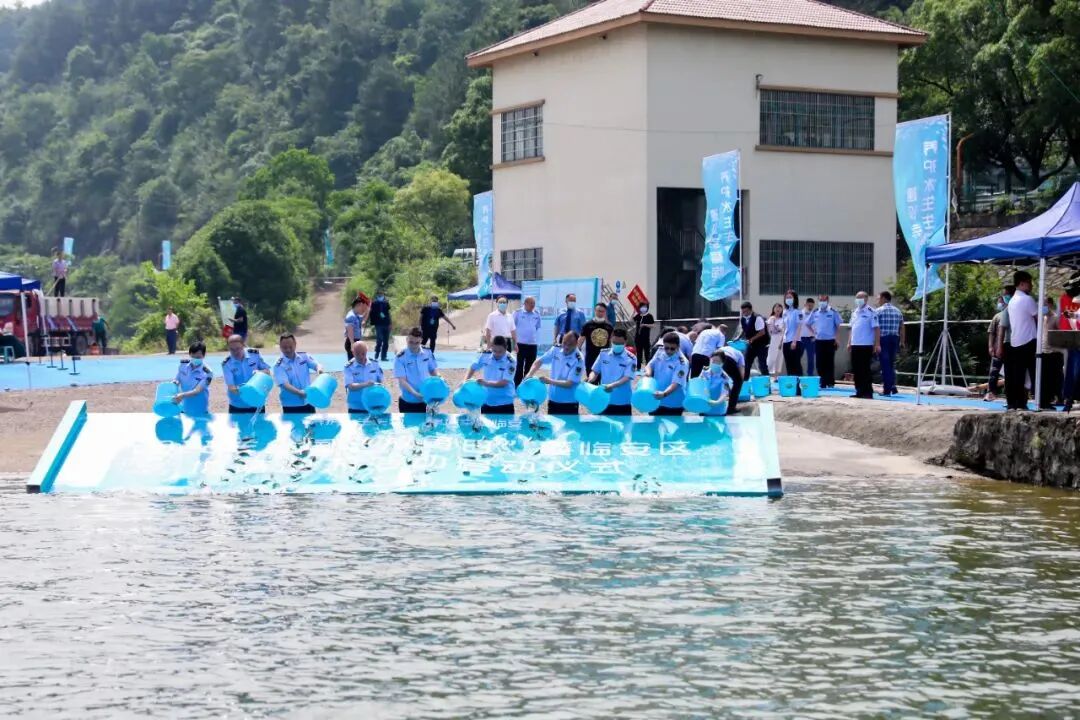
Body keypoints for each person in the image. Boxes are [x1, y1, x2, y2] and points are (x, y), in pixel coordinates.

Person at [527, 331, 585, 415]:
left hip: (569, 402)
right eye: (564, 343)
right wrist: (529, 374)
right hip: (553, 399)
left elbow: (569, 384)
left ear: (576, 343)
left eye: (570, 344)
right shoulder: (556, 349)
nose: (566, 346)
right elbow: (539, 361)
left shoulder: (578, 359)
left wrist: (549, 381)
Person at [1005, 271, 1038, 411]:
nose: (1031, 285)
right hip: (1029, 340)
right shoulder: (1027, 299)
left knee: (1018, 375)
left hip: (1016, 341)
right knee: (1034, 373)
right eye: (1029, 282)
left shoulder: (1012, 300)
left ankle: (1017, 403)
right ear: (1023, 283)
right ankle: (1039, 400)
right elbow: (1037, 317)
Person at [587, 328, 636, 415]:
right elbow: (595, 371)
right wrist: (590, 379)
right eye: (615, 343)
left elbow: (627, 378)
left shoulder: (631, 358)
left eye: (620, 343)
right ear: (610, 340)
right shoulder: (603, 354)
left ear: (625, 342)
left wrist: (612, 386)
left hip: (622, 402)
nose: (617, 345)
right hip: (604, 400)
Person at [274, 333, 324, 414]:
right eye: (284, 347)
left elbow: (317, 365)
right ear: (280, 347)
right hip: (291, 405)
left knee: (311, 422)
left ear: (295, 344)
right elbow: (284, 384)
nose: (288, 350)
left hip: (308, 401)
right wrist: (299, 393)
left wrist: (319, 370)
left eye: (290, 347)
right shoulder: (279, 365)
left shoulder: (304, 357)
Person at [466, 335, 516, 415]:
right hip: (487, 401)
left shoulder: (511, 361)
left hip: (504, 402)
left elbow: (504, 383)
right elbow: (473, 367)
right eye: (494, 350)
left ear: (506, 348)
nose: (497, 354)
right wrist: (465, 382)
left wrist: (486, 383)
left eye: (500, 351)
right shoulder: (485, 355)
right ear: (491, 347)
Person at [221, 334, 271, 414]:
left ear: (243, 345)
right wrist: (247, 392)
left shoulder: (255, 354)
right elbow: (231, 387)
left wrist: (259, 373)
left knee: (260, 423)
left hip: (257, 402)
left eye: (238, 348)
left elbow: (267, 372)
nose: (235, 352)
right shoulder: (227, 364)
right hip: (238, 406)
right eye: (232, 349)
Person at [394, 327, 440, 413]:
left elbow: (433, 370)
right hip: (409, 402)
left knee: (429, 421)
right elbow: (402, 381)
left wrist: (440, 379)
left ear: (421, 340)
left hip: (427, 400)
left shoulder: (427, 352)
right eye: (411, 342)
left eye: (417, 343)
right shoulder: (400, 357)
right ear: (407, 339)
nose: (413, 345)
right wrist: (415, 394)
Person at [644, 331, 689, 416]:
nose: (669, 351)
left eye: (672, 348)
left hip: (673, 403)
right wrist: (648, 374)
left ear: (678, 346)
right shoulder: (660, 351)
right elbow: (650, 365)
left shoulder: (682, 363)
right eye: (666, 348)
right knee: (653, 423)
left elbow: (676, 383)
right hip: (656, 399)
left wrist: (664, 394)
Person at [848, 291, 880, 399]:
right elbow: (852, 328)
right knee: (856, 369)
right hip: (855, 344)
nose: (858, 300)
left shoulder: (871, 312)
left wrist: (877, 344)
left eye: (860, 298)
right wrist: (849, 342)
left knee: (865, 369)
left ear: (866, 299)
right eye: (857, 298)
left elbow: (876, 328)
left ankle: (867, 392)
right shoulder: (854, 312)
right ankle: (859, 391)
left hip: (866, 345)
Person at [874, 291, 905, 396]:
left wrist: (876, 343)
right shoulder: (898, 311)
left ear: (883, 298)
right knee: (891, 364)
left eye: (878, 298)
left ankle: (887, 389)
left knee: (885, 365)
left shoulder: (878, 311)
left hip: (883, 339)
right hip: (894, 339)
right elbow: (902, 327)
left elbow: (876, 328)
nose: (877, 300)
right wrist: (902, 341)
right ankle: (892, 386)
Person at [172, 341, 213, 416]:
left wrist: (181, 395)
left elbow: (197, 391)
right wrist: (175, 382)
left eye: (198, 356)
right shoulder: (183, 366)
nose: (195, 358)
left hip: (200, 409)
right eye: (193, 355)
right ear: (190, 354)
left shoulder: (208, 372)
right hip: (184, 408)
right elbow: (177, 379)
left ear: (203, 356)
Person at [809, 295, 842, 388]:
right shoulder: (815, 312)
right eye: (820, 300)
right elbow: (808, 323)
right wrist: (813, 333)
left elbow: (838, 326)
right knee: (819, 363)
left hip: (830, 341)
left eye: (824, 300)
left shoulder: (833, 312)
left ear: (827, 301)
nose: (822, 302)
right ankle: (822, 381)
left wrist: (837, 338)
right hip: (819, 341)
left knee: (829, 362)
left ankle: (830, 382)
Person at [344, 341, 384, 415]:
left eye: (363, 353)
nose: (361, 356)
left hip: (372, 405)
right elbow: (350, 386)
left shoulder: (375, 364)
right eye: (357, 354)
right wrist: (366, 384)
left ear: (366, 351)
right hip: (356, 406)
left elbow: (380, 382)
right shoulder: (349, 367)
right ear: (353, 353)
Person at [985, 290, 1010, 401]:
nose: (999, 304)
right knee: (994, 372)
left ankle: (1009, 395)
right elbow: (991, 332)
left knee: (1009, 372)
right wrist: (990, 346)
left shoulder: (1012, 314)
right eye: (999, 302)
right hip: (997, 349)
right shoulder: (997, 316)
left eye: (1001, 302)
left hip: (1009, 347)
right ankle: (991, 392)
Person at [512, 296, 541, 386]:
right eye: (531, 303)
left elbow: (537, 327)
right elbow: (512, 327)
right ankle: (517, 386)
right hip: (520, 344)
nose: (533, 305)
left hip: (532, 345)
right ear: (525, 303)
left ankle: (526, 386)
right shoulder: (517, 313)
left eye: (534, 303)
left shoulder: (537, 314)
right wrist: (514, 343)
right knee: (519, 367)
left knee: (530, 367)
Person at [737, 302, 768, 379]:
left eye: (746, 311)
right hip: (751, 345)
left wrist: (751, 339)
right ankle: (744, 382)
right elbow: (744, 329)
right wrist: (738, 337)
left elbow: (762, 332)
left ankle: (766, 383)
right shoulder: (743, 319)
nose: (744, 313)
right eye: (743, 311)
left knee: (762, 364)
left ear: (751, 310)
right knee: (746, 363)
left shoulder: (757, 318)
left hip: (761, 344)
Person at [580, 303, 613, 372]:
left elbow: (611, 342)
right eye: (599, 311)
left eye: (602, 311)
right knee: (590, 377)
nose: (600, 313)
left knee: (603, 377)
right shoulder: (587, 325)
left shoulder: (609, 326)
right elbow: (581, 340)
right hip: (590, 357)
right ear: (595, 311)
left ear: (605, 312)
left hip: (604, 358)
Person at [698, 351, 734, 416]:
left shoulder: (725, 377)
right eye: (713, 361)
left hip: (718, 411)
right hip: (704, 409)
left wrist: (717, 402)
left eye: (717, 361)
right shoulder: (704, 371)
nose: (714, 363)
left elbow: (724, 393)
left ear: (722, 363)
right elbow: (699, 384)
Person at [781, 290, 804, 378]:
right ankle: (791, 384)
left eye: (790, 297)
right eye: (786, 298)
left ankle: (799, 384)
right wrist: (781, 341)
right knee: (789, 365)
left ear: (795, 299)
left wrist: (794, 341)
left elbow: (799, 327)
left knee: (796, 364)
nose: (788, 299)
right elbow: (784, 327)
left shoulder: (798, 312)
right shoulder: (784, 312)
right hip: (786, 341)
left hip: (795, 341)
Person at [717, 344, 745, 415]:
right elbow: (741, 369)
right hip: (728, 359)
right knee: (738, 382)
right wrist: (741, 382)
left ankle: (706, 407)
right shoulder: (739, 353)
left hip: (716, 357)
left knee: (715, 381)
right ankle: (731, 408)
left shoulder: (724, 347)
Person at [369, 290, 392, 361]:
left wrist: (390, 323)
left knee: (386, 341)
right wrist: (373, 322)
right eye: (379, 294)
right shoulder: (374, 303)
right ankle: (377, 353)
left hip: (386, 324)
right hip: (378, 324)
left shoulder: (386, 303)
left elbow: (388, 313)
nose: (380, 295)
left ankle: (383, 356)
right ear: (377, 295)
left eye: (381, 294)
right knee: (379, 340)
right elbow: (371, 313)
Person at [766, 303, 785, 377]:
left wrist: (781, 341)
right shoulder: (771, 319)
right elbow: (769, 331)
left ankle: (776, 377)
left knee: (779, 359)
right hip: (773, 339)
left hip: (781, 340)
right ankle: (766, 374)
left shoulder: (783, 319)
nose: (778, 309)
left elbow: (784, 331)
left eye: (780, 307)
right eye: (776, 307)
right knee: (771, 358)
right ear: (773, 309)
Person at [800, 298, 817, 376]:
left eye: (812, 306)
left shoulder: (815, 314)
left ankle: (810, 375)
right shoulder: (800, 314)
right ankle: (798, 374)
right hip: (801, 338)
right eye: (809, 305)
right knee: (798, 357)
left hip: (811, 339)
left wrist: (815, 336)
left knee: (811, 358)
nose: (810, 307)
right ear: (805, 304)